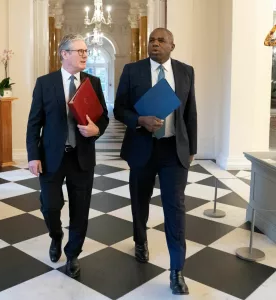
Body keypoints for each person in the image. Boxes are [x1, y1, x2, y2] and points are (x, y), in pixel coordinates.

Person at [114, 28, 197, 295]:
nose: (155, 44)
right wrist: (140, 120)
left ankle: (177, 270)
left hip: (174, 150)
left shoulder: (186, 72)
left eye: (161, 40)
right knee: (139, 201)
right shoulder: (132, 70)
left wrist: (192, 148)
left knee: (176, 208)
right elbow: (119, 109)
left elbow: (190, 112)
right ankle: (140, 240)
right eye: (152, 40)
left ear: (173, 45)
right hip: (142, 148)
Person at [26, 33, 109, 278]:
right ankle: (56, 236)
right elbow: (34, 123)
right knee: (50, 206)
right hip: (51, 157)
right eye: (79, 51)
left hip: (81, 157)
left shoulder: (93, 82)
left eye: (85, 51)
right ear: (64, 54)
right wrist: (33, 155)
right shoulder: (45, 83)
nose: (85, 54)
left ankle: (73, 254)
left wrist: (97, 129)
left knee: (80, 209)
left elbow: (102, 116)